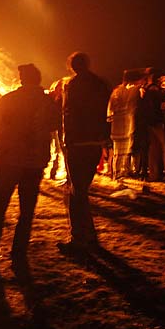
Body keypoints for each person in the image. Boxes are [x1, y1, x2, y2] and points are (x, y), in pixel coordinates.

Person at [0, 63, 60, 272]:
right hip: (35, 162)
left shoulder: (9, 100)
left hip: (10, 160)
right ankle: (19, 250)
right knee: (27, 209)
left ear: (22, 79)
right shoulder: (47, 102)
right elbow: (55, 125)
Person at [59, 51, 111, 254]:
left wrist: (67, 139)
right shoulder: (101, 84)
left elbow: (69, 113)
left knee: (75, 191)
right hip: (94, 143)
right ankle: (89, 235)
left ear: (72, 66)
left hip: (78, 143)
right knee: (81, 190)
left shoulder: (73, 85)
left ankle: (79, 238)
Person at [108, 69, 143, 180]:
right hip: (125, 123)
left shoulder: (117, 91)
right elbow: (132, 107)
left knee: (120, 151)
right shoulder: (133, 90)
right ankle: (119, 173)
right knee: (122, 151)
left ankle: (120, 172)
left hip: (119, 124)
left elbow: (111, 108)